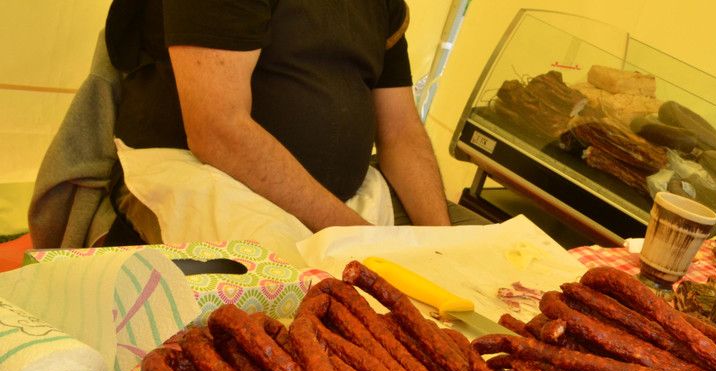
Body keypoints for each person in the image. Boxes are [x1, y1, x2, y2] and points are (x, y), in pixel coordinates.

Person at [103, 0, 481, 244]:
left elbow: (401, 133)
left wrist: (443, 247)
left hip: (345, 197)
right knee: (295, 302)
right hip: (202, 175)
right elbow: (218, 130)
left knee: (485, 254)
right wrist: (360, 239)